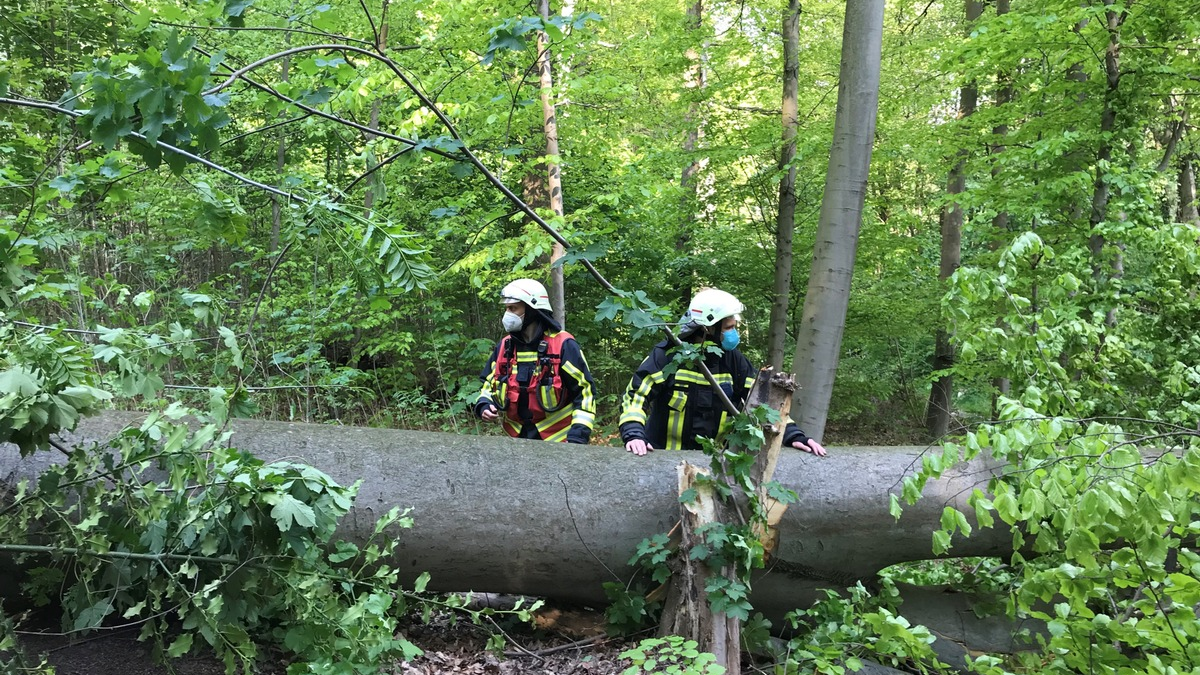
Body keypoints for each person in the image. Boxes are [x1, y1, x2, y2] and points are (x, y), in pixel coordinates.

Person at [619, 288, 827, 457]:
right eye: (728, 327)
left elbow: (762, 405)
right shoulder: (667, 356)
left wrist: (794, 435)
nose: (733, 333)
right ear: (707, 328)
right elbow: (635, 397)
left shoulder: (735, 362)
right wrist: (634, 434)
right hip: (661, 459)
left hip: (715, 464)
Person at [474, 278, 596, 444]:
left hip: (560, 440)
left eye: (513, 308)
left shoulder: (563, 345)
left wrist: (578, 436)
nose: (507, 314)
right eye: (506, 308)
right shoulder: (505, 346)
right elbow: (490, 383)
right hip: (516, 438)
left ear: (532, 309)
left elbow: (585, 393)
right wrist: (484, 404)